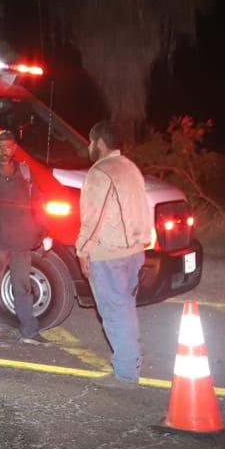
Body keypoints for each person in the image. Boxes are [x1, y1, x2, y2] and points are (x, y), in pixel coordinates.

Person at [77, 120, 153, 384]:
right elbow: (144, 208)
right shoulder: (130, 168)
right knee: (125, 309)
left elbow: (93, 218)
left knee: (115, 313)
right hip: (133, 252)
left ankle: (125, 373)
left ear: (99, 142)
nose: (89, 147)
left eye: (90, 142)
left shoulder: (100, 172)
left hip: (108, 255)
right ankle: (131, 359)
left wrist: (83, 251)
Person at [0, 130, 53, 351]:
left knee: (24, 288)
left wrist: (44, 233)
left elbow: (37, 203)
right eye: (0, 146)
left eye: (9, 146)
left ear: (15, 148)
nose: (5, 150)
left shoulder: (25, 172)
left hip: (21, 242)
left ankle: (29, 331)